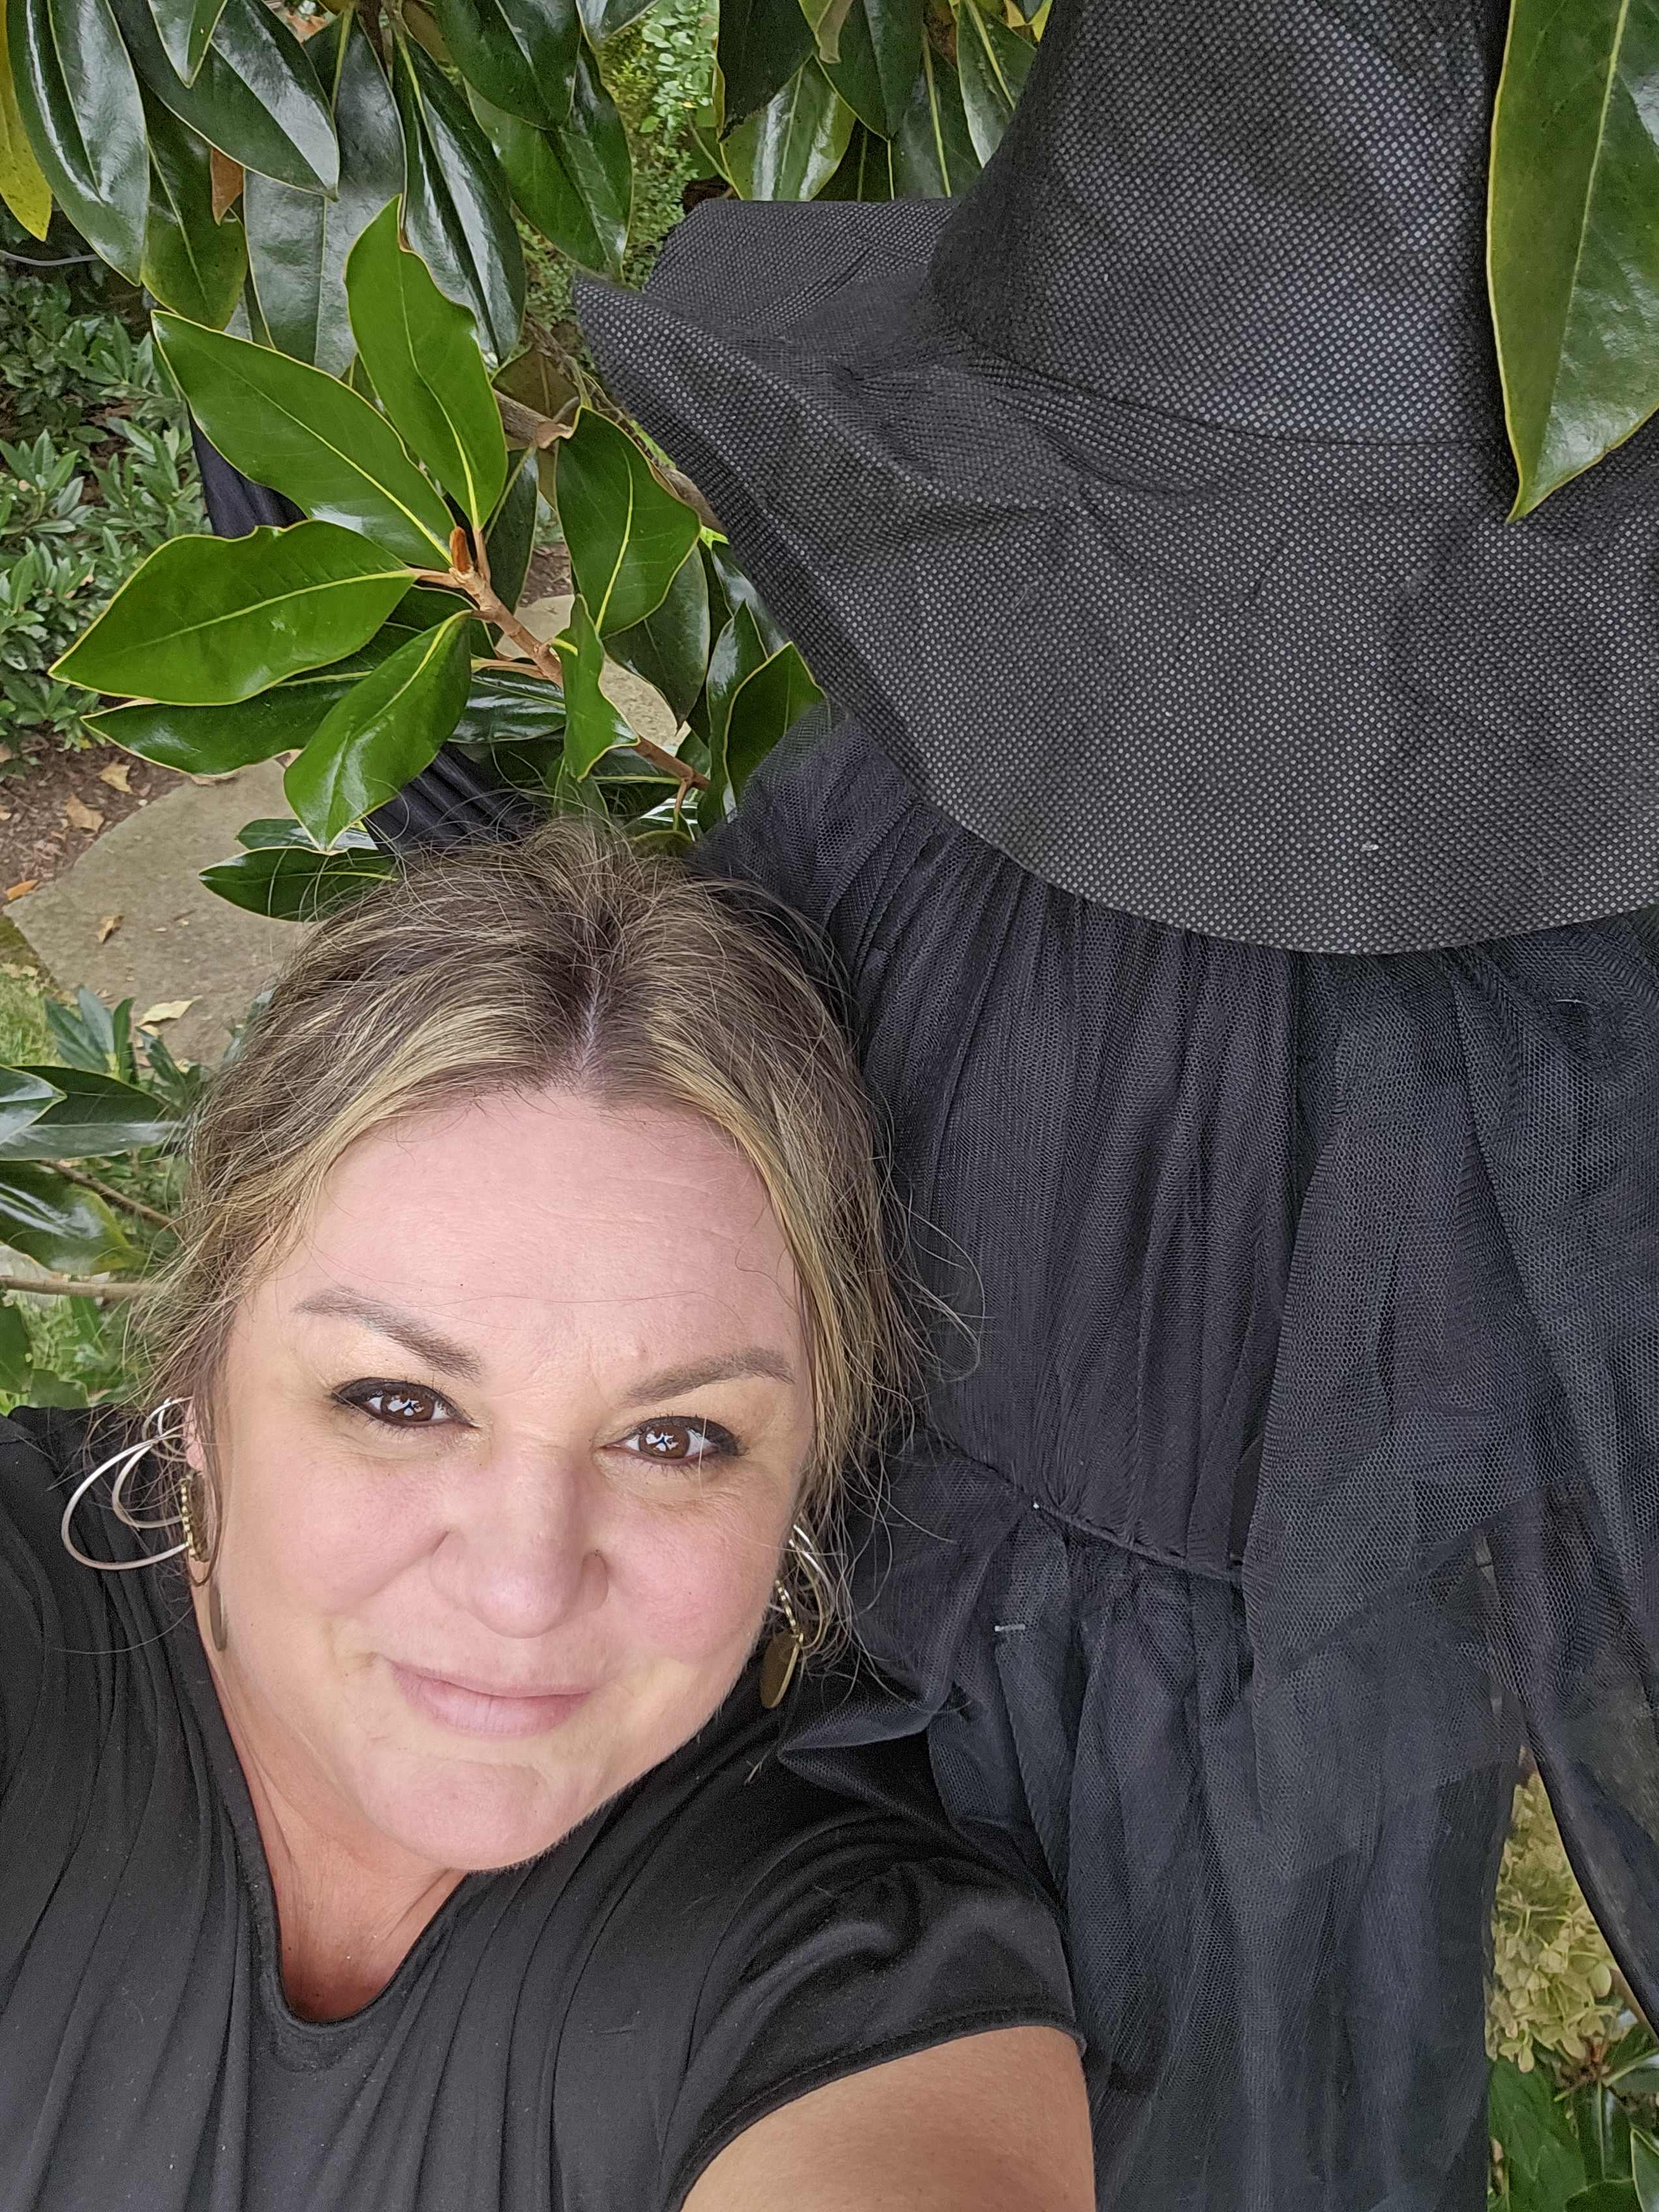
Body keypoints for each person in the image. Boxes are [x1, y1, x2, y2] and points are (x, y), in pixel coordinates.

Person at [191, 0, 1659, 2205]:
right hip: (966, 1675)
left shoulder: (1463, 958)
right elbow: (723, 1039)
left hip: (1199, 1767)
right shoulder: (962, 786)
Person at [0, 822, 1092, 2212]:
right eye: (398, 1401)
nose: (523, 1587)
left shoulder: (840, 1966)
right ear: (195, 1386)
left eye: (675, 1439)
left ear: (806, 1472)